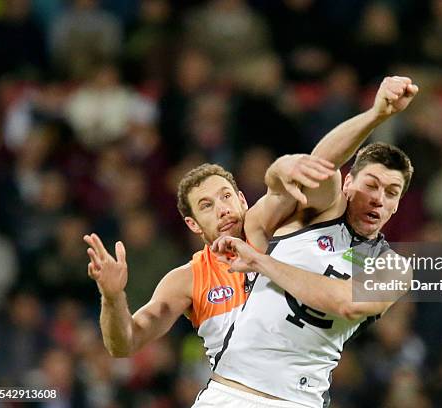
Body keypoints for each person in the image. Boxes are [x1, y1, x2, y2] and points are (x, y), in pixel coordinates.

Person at [83, 75, 415, 368]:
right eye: (207, 205)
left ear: (243, 199)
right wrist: (112, 297)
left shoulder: (270, 226)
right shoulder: (189, 279)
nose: (223, 209)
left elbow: (314, 169)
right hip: (231, 392)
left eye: (227, 197)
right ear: (193, 224)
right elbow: (123, 344)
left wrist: (281, 168)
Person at [194, 77, 419, 408]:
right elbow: (319, 165)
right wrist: (377, 114)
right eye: (371, 185)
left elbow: (348, 303)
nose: (378, 200)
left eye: (391, 193)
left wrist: (261, 262)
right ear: (349, 183)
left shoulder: (394, 268)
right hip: (229, 393)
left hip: (297, 401)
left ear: (398, 204)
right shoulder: (317, 212)